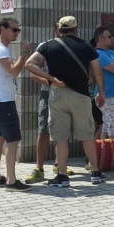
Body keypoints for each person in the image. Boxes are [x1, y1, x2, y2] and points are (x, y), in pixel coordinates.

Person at [26, 16, 106, 187]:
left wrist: (51, 78)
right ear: (76, 29)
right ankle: (96, 173)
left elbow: (30, 64)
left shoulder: (48, 46)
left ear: (59, 29)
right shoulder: (85, 46)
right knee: (87, 136)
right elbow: (97, 72)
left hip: (58, 95)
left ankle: (62, 176)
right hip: (81, 96)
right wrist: (101, 92)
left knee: (61, 138)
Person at [25, 21, 73, 184]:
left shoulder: (72, 46)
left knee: (63, 130)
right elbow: (33, 74)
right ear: (55, 29)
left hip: (66, 93)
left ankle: (59, 165)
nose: (62, 30)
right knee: (43, 129)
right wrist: (51, 82)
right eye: (60, 27)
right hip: (48, 93)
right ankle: (39, 168)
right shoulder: (45, 46)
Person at [0, 17, 32, 191]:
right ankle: (11, 181)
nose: (16, 33)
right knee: (13, 140)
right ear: (3, 29)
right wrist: (23, 53)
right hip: (2, 101)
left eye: (18, 30)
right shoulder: (0, 49)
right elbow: (14, 71)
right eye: (14, 30)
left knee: (0, 137)